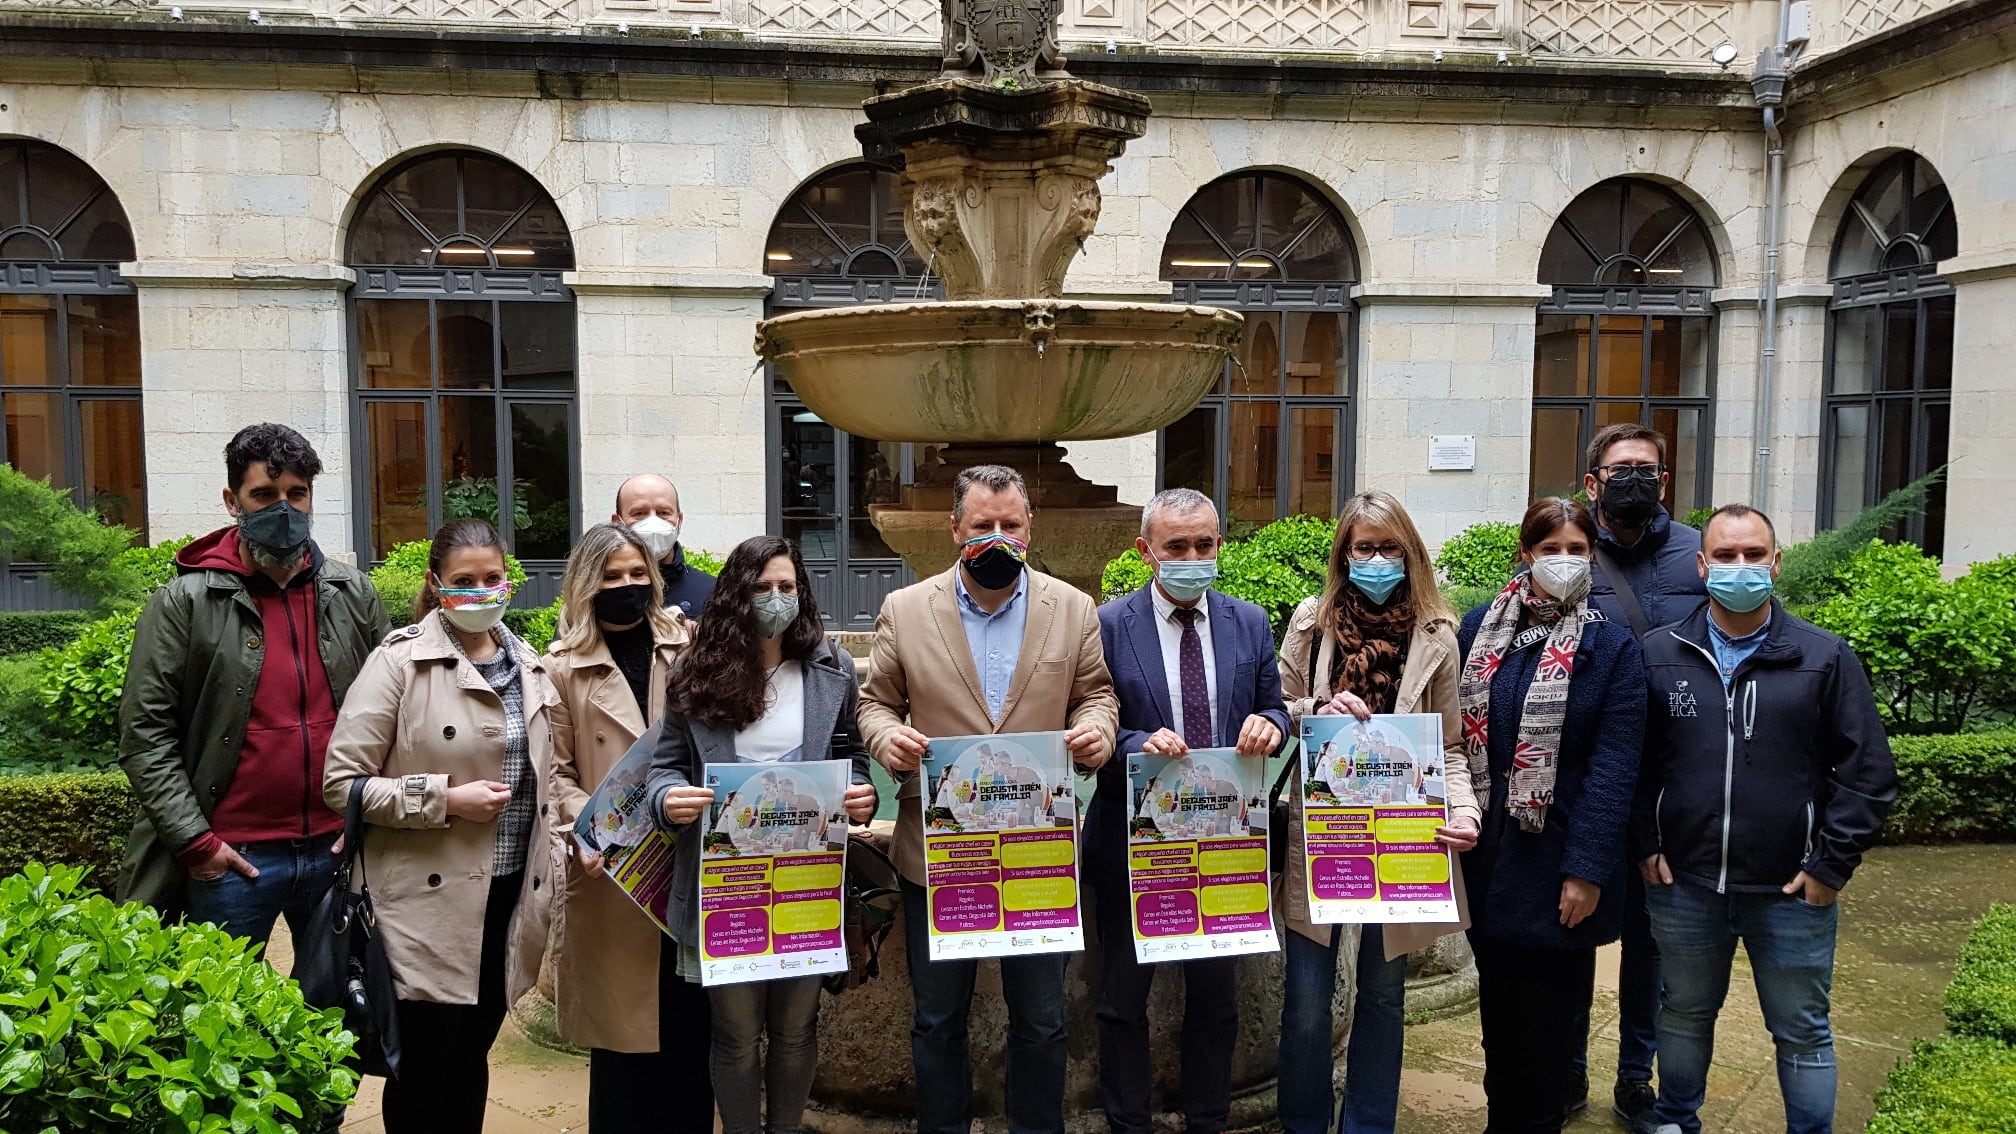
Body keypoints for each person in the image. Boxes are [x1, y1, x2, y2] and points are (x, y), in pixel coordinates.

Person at [856, 464, 1119, 1134]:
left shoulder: (1073, 608)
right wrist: (887, 740)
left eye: (1010, 525)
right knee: (938, 1018)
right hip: (940, 855)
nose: (996, 538)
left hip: (1038, 850)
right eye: (982, 526)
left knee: (1042, 1020)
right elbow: (876, 702)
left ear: (1030, 528)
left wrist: (1098, 730)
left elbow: (1097, 691)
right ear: (954, 529)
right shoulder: (906, 611)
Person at [1631, 505, 1897, 1134]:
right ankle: (1674, 1120)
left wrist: (1829, 865)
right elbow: (1633, 763)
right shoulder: (1658, 655)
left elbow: (1869, 774)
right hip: (1685, 884)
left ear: (1777, 563)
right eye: (1725, 556)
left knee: (1802, 1032)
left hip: (1791, 890)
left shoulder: (1823, 657)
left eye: (1754, 556)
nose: (1740, 567)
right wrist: (1646, 841)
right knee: (1683, 1014)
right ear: (1702, 566)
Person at [323, 518, 557, 1134]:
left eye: (492, 578)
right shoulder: (398, 662)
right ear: (436, 584)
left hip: (507, 897)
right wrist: (446, 799)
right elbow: (341, 784)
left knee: (472, 1056)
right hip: (423, 905)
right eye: (464, 581)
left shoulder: (532, 667)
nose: (481, 591)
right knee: (424, 1068)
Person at [116, 423, 390, 943]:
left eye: (296, 494)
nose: (283, 510)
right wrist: (197, 843)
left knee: (341, 1013)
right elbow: (144, 733)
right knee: (222, 1016)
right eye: (264, 495)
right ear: (232, 500)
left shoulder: (352, 593)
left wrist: (368, 817)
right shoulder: (184, 603)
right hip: (233, 858)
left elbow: (397, 712)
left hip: (336, 848)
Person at [645, 535, 878, 1134]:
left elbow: (850, 754)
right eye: (762, 588)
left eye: (787, 588)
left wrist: (861, 791)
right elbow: (665, 766)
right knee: (737, 1033)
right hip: (728, 884)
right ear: (735, 595)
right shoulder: (694, 671)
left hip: (808, 879)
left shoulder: (832, 667)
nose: (776, 600)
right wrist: (668, 798)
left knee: (797, 1029)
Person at [1272, 489, 1479, 1134]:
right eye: (1365, 548)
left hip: (1403, 839)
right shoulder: (1314, 621)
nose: (1377, 559)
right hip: (1322, 834)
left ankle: (1369, 1123)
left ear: (1410, 553)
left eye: (1390, 547)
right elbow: (1275, 712)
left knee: (1385, 998)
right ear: (1344, 554)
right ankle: (1304, 1122)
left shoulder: (1436, 633)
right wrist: (1319, 710)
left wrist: (1465, 810)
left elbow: (1449, 743)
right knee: (1307, 998)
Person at [1087, 488, 1290, 1134]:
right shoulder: (1108, 624)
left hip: (1223, 840)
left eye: (1205, 544)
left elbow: (1278, 710)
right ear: (1147, 551)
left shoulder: (1249, 622)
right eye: (1177, 546)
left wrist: (1271, 726)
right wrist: (1130, 742)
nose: (1193, 556)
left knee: (1216, 1001)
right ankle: (1129, 1124)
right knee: (1122, 1002)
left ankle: (1208, 1120)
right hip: (1131, 838)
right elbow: (1088, 719)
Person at [1456, 497, 1646, 1134]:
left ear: (1592, 555)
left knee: (1547, 1031)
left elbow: (1615, 768)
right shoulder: (1483, 631)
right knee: (1499, 1018)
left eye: (1577, 549)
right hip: (1489, 851)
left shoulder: (1611, 647)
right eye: (1549, 549)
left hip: (1559, 857)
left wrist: (1587, 869)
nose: (1563, 561)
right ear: (1525, 554)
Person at [543, 522, 709, 1132]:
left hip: (686, 860)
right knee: (620, 1049)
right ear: (588, 583)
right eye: (613, 576)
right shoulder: (559, 668)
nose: (629, 585)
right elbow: (554, 772)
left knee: (691, 1035)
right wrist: (587, 830)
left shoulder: (687, 646)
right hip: (611, 871)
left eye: (639, 573)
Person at [1577, 422, 1708, 1123]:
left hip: (1668, 784)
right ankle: (1568, 1070)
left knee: (1652, 942)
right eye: (1619, 468)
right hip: (1590, 778)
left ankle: (1635, 1075)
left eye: (1646, 469)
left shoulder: (1698, 557)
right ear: (1592, 482)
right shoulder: (1566, 553)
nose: (1634, 480)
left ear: (1665, 481)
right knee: (1571, 929)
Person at [614, 473, 716, 617]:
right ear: (617, 522)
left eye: (663, 513)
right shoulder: (601, 593)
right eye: (639, 513)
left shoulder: (712, 593)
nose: (653, 523)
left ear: (679, 521)